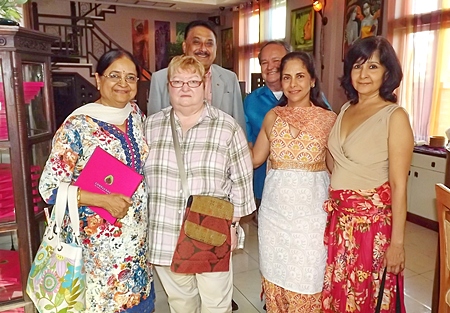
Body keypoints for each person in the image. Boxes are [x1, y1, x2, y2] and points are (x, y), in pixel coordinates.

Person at [38, 49, 155, 312]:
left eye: (131, 77)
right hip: (95, 249)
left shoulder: (136, 115)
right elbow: (49, 188)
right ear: (98, 79)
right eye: (114, 75)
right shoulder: (77, 126)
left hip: (135, 241)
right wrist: (103, 200)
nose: (123, 84)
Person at [144, 55, 256, 313]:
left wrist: (233, 224)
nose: (185, 88)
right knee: (181, 302)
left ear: (205, 85)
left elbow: (241, 180)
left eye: (193, 81)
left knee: (216, 303)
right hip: (165, 232)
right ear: (168, 86)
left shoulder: (226, 127)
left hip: (211, 231)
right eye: (177, 81)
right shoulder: (150, 126)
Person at [322, 36, 413, 313]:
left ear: (387, 72)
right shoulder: (346, 109)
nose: (363, 75)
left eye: (373, 67)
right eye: (357, 66)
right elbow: (334, 162)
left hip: (371, 229)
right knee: (342, 297)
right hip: (342, 224)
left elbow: (398, 186)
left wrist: (397, 244)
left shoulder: (394, 116)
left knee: (367, 299)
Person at [252, 51, 336, 312]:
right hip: (274, 215)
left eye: (300, 76)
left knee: (308, 276)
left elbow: (336, 167)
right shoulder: (272, 117)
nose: (293, 84)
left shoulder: (329, 119)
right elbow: (255, 159)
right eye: (286, 77)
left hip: (312, 216)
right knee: (276, 273)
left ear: (312, 80)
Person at [147, 19, 246, 133]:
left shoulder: (230, 78)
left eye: (209, 43)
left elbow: (239, 125)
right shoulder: (160, 79)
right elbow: (153, 128)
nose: (203, 49)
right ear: (184, 46)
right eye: (197, 42)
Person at [244, 40, 291, 216]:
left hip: (301, 187)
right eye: (264, 62)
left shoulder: (310, 98)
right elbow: (247, 144)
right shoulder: (251, 101)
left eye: (276, 60)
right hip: (263, 186)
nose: (270, 66)